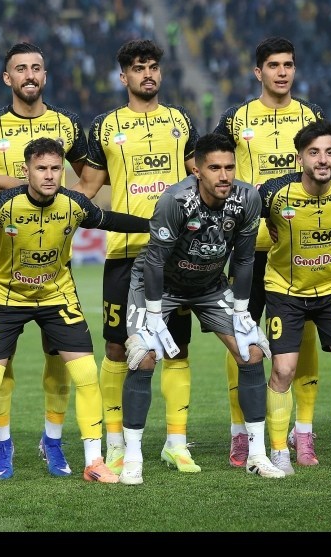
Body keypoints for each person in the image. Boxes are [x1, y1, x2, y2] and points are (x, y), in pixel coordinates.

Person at [0, 137, 151, 489]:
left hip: (56, 295)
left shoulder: (73, 204)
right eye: (41, 168)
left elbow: (109, 220)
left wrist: (153, 225)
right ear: (26, 171)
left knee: (85, 373)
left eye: (56, 168)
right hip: (5, 297)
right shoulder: (2, 205)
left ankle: (93, 461)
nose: (50, 175)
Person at [120, 132, 282, 485]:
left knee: (252, 352)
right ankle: (131, 458)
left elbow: (244, 259)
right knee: (143, 357)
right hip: (159, 286)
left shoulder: (247, 198)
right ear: (197, 170)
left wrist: (242, 311)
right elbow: (154, 262)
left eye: (229, 167)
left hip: (210, 286)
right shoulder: (175, 201)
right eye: (214, 168)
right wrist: (153, 314)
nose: (224, 176)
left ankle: (257, 455)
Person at [74, 39, 200, 475]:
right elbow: (87, 188)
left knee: (177, 347)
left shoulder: (181, 121)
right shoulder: (105, 126)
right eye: (139, 68)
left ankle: (176, 444)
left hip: (176, 253)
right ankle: (114, 445)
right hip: (125, 252)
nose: (148, 74)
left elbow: (199, 177)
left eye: (153, 67)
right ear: (123, 76)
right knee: (116, 347)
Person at [0, 42, 88, 480]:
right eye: (20, 68)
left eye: (36, 67)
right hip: (4, 267)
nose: (29, 75)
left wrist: (69, 211)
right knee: (0, 365)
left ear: (45, 75)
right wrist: (15, 185)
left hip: (54, 267)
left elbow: (91, 176)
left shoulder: (68, 123)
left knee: (61, 359)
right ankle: (2, 445)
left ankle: (52, 441)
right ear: (8, 78)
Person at [212, 37, 327, 468]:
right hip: (248, 248)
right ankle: (241, 434)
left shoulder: (311, 116)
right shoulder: (236, 118)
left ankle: (303, 433)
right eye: (274, 65)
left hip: (300, 249)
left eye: (288, 65)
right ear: (258, 72)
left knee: (304, 339)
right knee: (240, 339)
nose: (282, 72)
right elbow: (210, 166)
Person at [258, 121, 331, 474]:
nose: (323, 160)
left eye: (329, 152)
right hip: (285, 291)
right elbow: (241, 209)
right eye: (314, 153)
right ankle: (279, 450)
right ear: (300, 158)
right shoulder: (275, 193)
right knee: (283, 370)